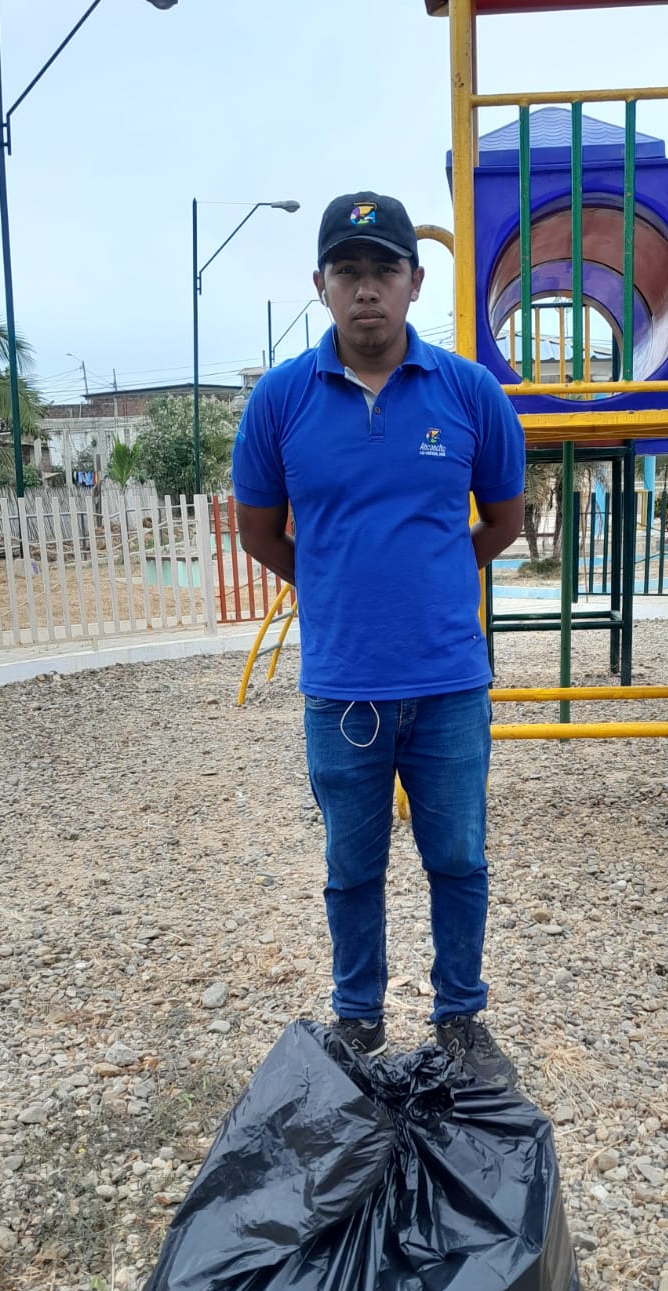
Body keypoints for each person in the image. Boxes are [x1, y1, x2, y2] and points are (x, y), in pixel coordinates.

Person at [234, 191, 526, 1085]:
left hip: (448, 683)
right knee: (351, 868)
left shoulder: (469, 393)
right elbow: (258, 532)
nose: (367, 289)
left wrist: (431, 579)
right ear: (320, 283)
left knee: (459, 859)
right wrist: (333, 585)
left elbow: (505, 520)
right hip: (343, 688)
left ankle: (460, 1018)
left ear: (415, 281)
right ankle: (357, 1020)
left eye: (384, 270)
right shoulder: (280, 401)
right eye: (349, 271)